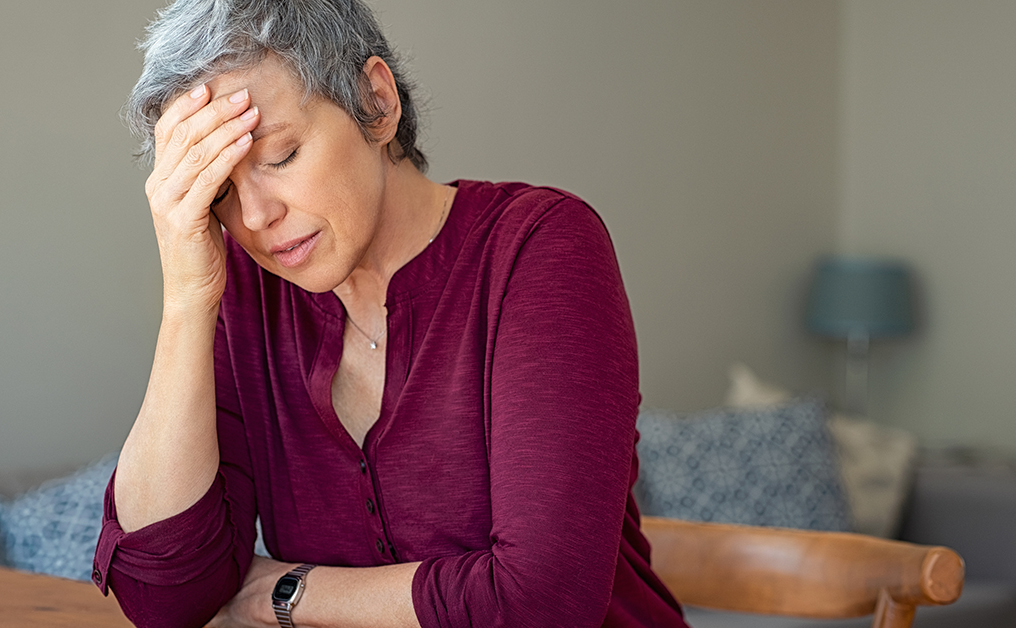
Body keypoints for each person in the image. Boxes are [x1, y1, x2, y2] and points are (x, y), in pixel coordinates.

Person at [93, 1, 690, 627]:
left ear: (375, 102)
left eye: (280, 157)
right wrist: (188, 299)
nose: (256, 217)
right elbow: (163, 598)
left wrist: (281, 594)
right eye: (220, 191)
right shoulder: (243, 291)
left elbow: (542, 604)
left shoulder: (539, 248)